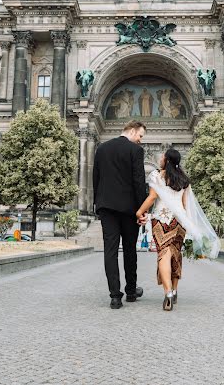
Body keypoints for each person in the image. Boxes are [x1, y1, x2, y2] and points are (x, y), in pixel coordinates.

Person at [136, 148, 220, 311]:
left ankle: (167, 293)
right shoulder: (184, 179)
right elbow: (185, 204)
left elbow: (152, 197)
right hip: (179, 222)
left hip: (161, 220)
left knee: (163, 256)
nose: (160, 158)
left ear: (166, 160)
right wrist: (190, 225)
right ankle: (174, 290)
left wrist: (140, 212)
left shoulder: (156, 176)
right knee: (175, 255)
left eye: (162, 156)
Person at [93, 120, 147, 309]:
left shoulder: (102, 149)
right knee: (130, 250)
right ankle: (131, 292)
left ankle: (115, 296)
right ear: (132, 131)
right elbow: (139, 182)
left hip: (106, 207)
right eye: (140, 135)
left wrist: (98, 204)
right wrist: (142, 210)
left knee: (110, 251)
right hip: (129, 209)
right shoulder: (135, 151)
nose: (140, 140)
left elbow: (96, 178)